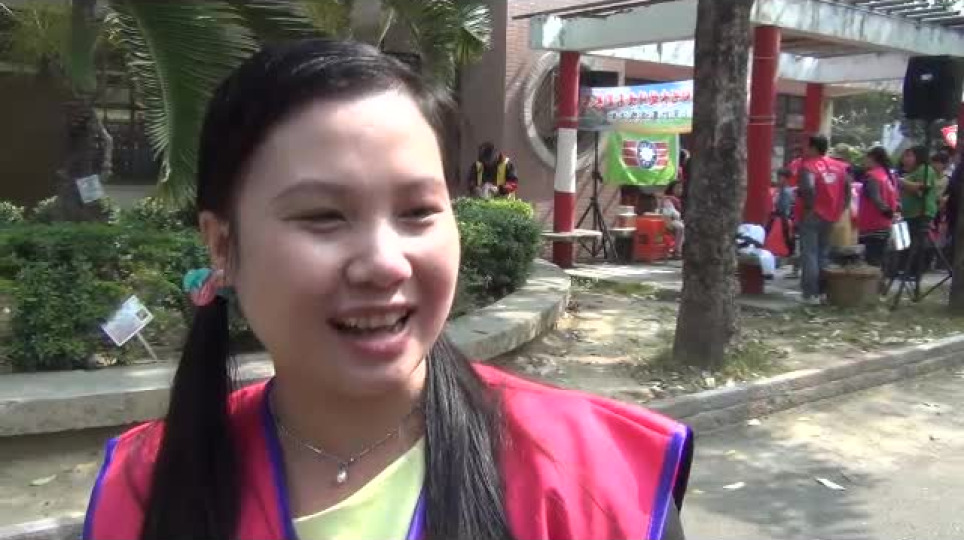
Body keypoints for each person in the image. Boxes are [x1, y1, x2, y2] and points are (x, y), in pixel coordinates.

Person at [82, 40, 691, 540]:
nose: (384, 264)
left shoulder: (596, 478)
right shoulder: (145, 487)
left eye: (418, 211)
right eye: (323, 216)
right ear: (221, 244)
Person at [794, 134, 850, 305]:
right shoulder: (840, 167)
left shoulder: (808, 166)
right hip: (831, 215)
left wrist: (809, 208)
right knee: (823, 253)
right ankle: (823, 291)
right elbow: (847, 191)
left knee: (809, 253)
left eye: (806, 146)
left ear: (813, 147)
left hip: (813, 214)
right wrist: (840, 209)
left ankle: (810, 294)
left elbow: (808, 188)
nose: (804, 149)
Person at [897, 146, 940, 279]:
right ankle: (905, 270)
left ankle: (914, 272)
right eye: (905, 156)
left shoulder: (925, 169)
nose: (905, 159)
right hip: (909, 213)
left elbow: (922, 189)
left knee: (916, 244)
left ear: (919, 157)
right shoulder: (910, 173)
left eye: (909, 156)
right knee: (906, 242)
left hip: (921, 212)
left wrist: (901, 181)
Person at [858, 147, 898, 268]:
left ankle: (875, 280)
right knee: (880, 259)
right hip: (885, 224)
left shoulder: (872, 176)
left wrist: (886, 211)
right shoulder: (889, 175)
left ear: (872, 158)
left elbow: (876, 199)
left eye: (866, 157)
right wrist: (891, 213)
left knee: (872, 262)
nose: (864, 160)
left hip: (871, 224)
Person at [660, 181, 685, 257]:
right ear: (671, 189)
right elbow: (671, 213)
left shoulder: (681, 199)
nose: (680, 190)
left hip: (677, 219)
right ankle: (677, 251)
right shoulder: (668, 199)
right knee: (680, 227)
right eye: (677, 188)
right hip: (668, 220)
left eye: (681, 188)